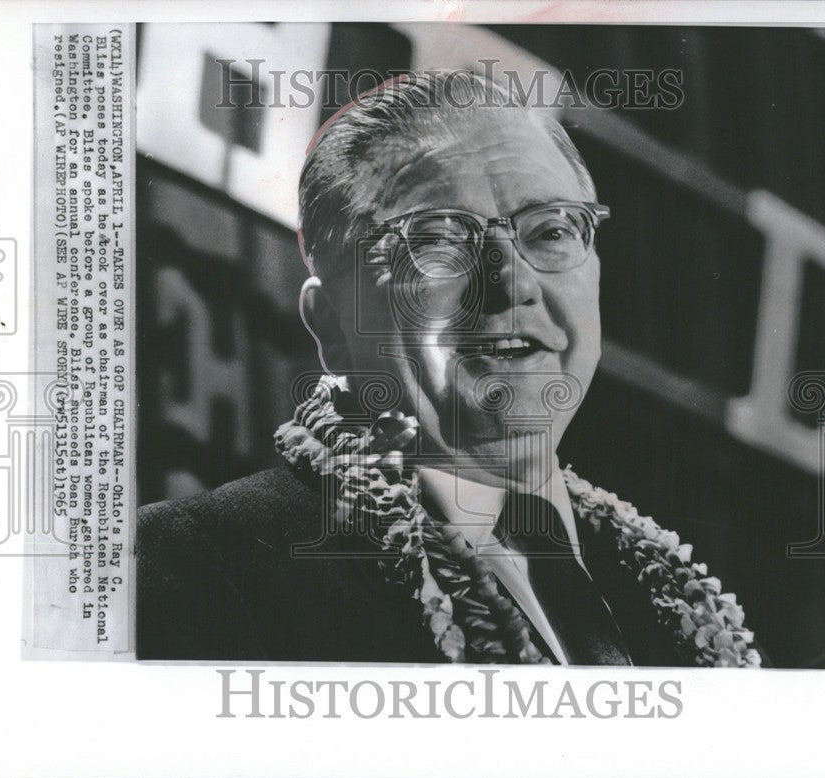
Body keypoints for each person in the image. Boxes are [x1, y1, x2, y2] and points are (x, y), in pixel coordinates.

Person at [136, 71, 763, 667]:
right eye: (438, 239)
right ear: (331, 323)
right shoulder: (199, 566)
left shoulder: (667, 599)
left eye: (549, 231)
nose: (512, 282)